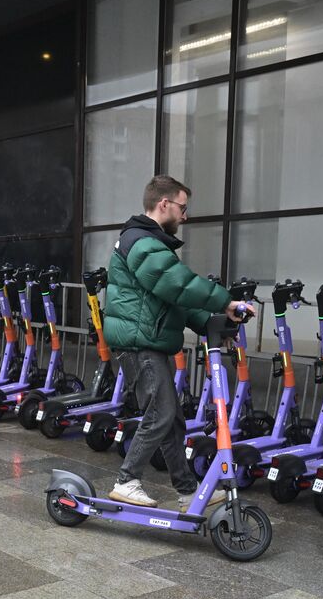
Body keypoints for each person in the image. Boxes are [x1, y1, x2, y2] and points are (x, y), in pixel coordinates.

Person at [104, 174, 244, 507]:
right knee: (162, 413)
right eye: (183, 207)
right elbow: (177, 284)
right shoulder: (142, 241)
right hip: (140, 345)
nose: (186, 215)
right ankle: (126, 480)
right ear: (164, 204)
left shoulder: (151, 242)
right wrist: (224, 301)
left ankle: (186, 490)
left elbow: (173, 300)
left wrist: (211, 325)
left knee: (172, 421)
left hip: (150, 341)